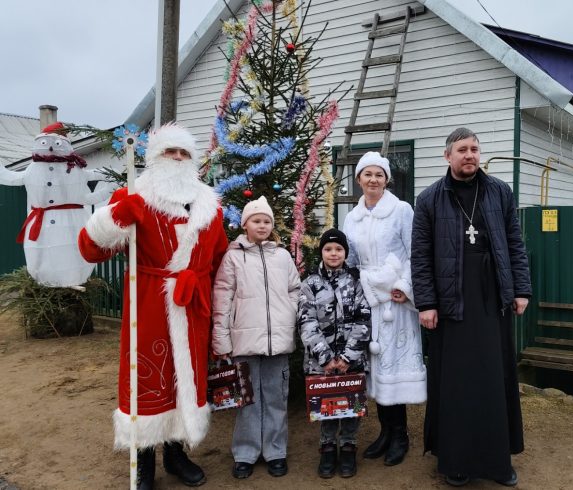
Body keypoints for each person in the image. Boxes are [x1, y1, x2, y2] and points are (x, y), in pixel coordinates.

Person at [78, 123, 229, 489]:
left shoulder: (209, 205)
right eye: (169, 151)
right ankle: (143, 459)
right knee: (147, 377)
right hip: (148, 303)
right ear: (154, 157)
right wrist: (117, 216)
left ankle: (176, 455)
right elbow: (90, 249)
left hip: (192, 306)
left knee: (186, 379)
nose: (177, 158)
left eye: (184, 153)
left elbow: (220, 254)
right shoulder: (134, 196)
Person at [411, 127, 532, 487]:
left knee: (494, 380)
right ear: (447, 155)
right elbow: (420, 257)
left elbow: (515, 243)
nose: (470, 155)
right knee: (456, 385)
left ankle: (497, 462)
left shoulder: (499, 192)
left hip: (492, 299)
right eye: (462, 149)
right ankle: (456, 461)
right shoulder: (430, 199)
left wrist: (521, 290)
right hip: (451, 304)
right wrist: (427, 303)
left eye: (474, 149)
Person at [342, 151, 427, 466]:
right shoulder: (352, 217)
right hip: (368, 302)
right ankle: (384, 431)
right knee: (376, 367)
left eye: (379, 175)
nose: (373, 180)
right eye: (368, 174)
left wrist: (405, 287)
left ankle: (400, 434)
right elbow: (350, 260)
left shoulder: (402, 210)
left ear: (387, 179)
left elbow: (415, 252)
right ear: (359, 179)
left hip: (395, 302)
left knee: (395, 365)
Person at [211, 196, 300, 480]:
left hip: (278, 342)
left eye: (266, 221)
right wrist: (221, 339)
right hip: (244, 342)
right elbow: (222, 298)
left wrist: (289, 313)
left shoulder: (283, 256)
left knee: (276, 397)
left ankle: (275, 451)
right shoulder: (233, 256)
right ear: (245, 224)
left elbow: (295, 290)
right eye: (256, 220)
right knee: (247, 400)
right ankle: (246, 453)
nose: (262, 225)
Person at [298, 229, 372, 479]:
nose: (333, 253)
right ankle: (328, 446)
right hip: (322, 363)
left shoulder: (355, 281)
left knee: (351, 405)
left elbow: (364, 319)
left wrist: (348, 357)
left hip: (352, 361)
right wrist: (326, 358)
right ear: (321, 252)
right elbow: (306, 323)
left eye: (338, 249)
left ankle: (349, 445)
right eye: (328, 249)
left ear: (345, 254)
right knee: (328, 405)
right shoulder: (310, 284)